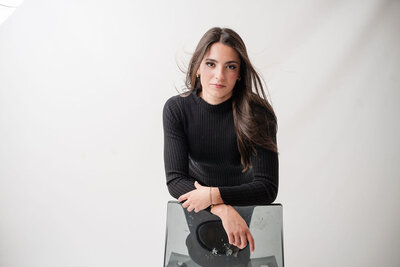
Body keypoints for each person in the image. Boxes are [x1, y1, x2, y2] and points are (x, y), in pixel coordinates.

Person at [163, 27, 279, 255]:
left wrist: (214, 195)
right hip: (197, 207)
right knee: (200, 256)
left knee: (237, 259)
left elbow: (267, 187)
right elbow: (175, 179)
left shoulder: (258, 114)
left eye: (231, 67)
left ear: (240, 74)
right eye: (210, 64)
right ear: (197, 67)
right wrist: (219, 206)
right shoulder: (177, 109)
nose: (219, 75)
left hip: (244, 210)